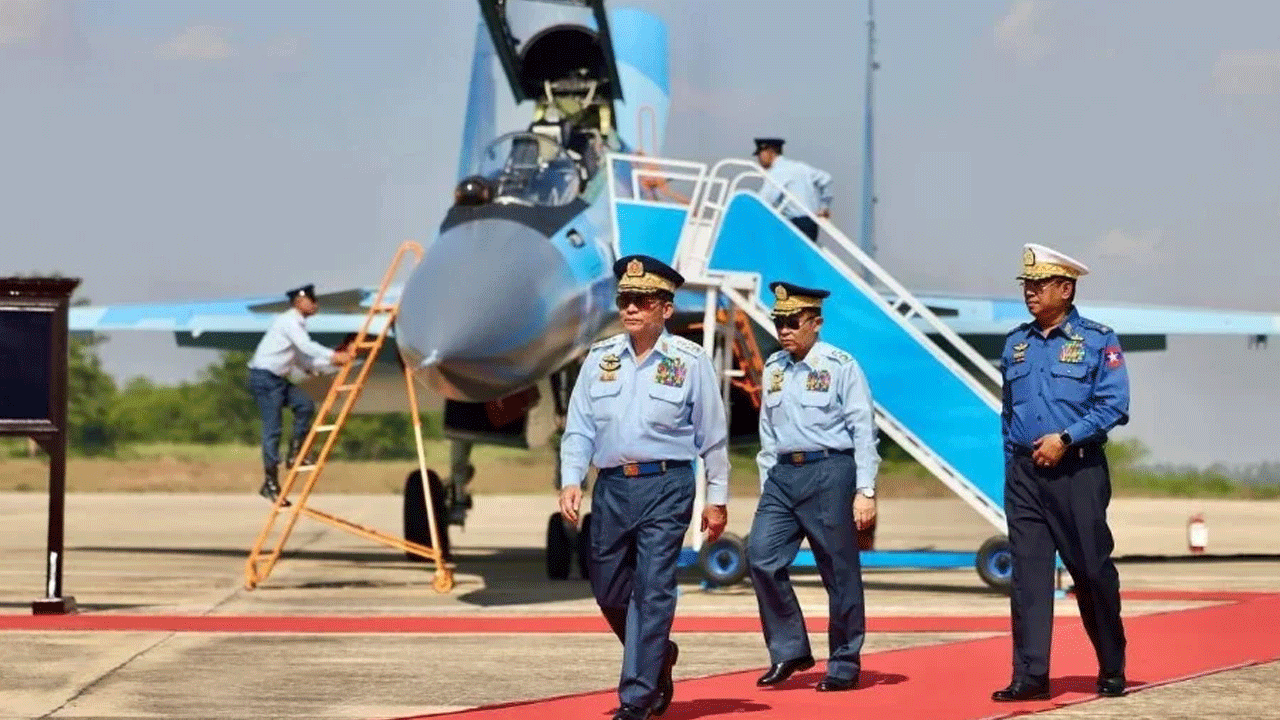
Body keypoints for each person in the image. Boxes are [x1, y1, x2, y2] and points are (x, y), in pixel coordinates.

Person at [558, 255, 730, 720]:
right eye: (625, 300)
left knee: (653, 590)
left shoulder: (690, 362)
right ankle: (657, 658)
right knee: (610, 590)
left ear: (666, 309)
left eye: (641, 301)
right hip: (612, 487)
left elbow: (711, 437)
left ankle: (636, 697)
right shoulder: (599, 359)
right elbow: (579, 428)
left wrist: (717, 499)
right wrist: (571, 478)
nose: (630, 308)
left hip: (667, 486)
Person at [993, 243, 1130, 702]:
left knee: (1091, 571)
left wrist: (1066, 438)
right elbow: (1008, 412)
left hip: (1077, 472)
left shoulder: (1097, 339)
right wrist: (1012, 463)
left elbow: (1114, 405)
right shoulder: (1016, 343)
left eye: (1039, 285)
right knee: (1028, 576)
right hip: (1024, 476)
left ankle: (1112, 664)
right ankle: (1030, 676)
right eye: (1026, 285)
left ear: (1065, 289)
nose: (1030, 293)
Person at [748, 281, 879, 692]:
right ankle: (789, 649)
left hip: (830, 471)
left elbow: (863, 430)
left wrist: (866, 489)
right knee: (760, 556)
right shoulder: (773, 368)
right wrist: (766, 480)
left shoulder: (840, 366)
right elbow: (767, 432)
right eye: (778, 322)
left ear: (815, 323)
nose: (784, 330)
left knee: (838, 571)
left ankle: (843, 661)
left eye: (792, 322)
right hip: (783, 476)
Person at [247, 284, 350, 504]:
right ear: (298, 302)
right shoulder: (289, 321)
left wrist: (335, 360)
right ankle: (270, 482)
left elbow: (304, 360)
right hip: (264, 378)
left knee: (304, 404)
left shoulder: (298, 325)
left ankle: (296, 455)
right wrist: (333, 356)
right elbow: (306, 347)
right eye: (311, 300)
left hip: (277, 380)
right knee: (273, 429)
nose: (316, 304)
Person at [753, 138, 833, 242]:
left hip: (797, 224)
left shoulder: (778, 171)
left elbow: (765, 199)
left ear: (771, 152)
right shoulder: (799, 167)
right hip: (811, 223)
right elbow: (826, 179)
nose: (758, 158)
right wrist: (824, 206)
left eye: (760, 154)